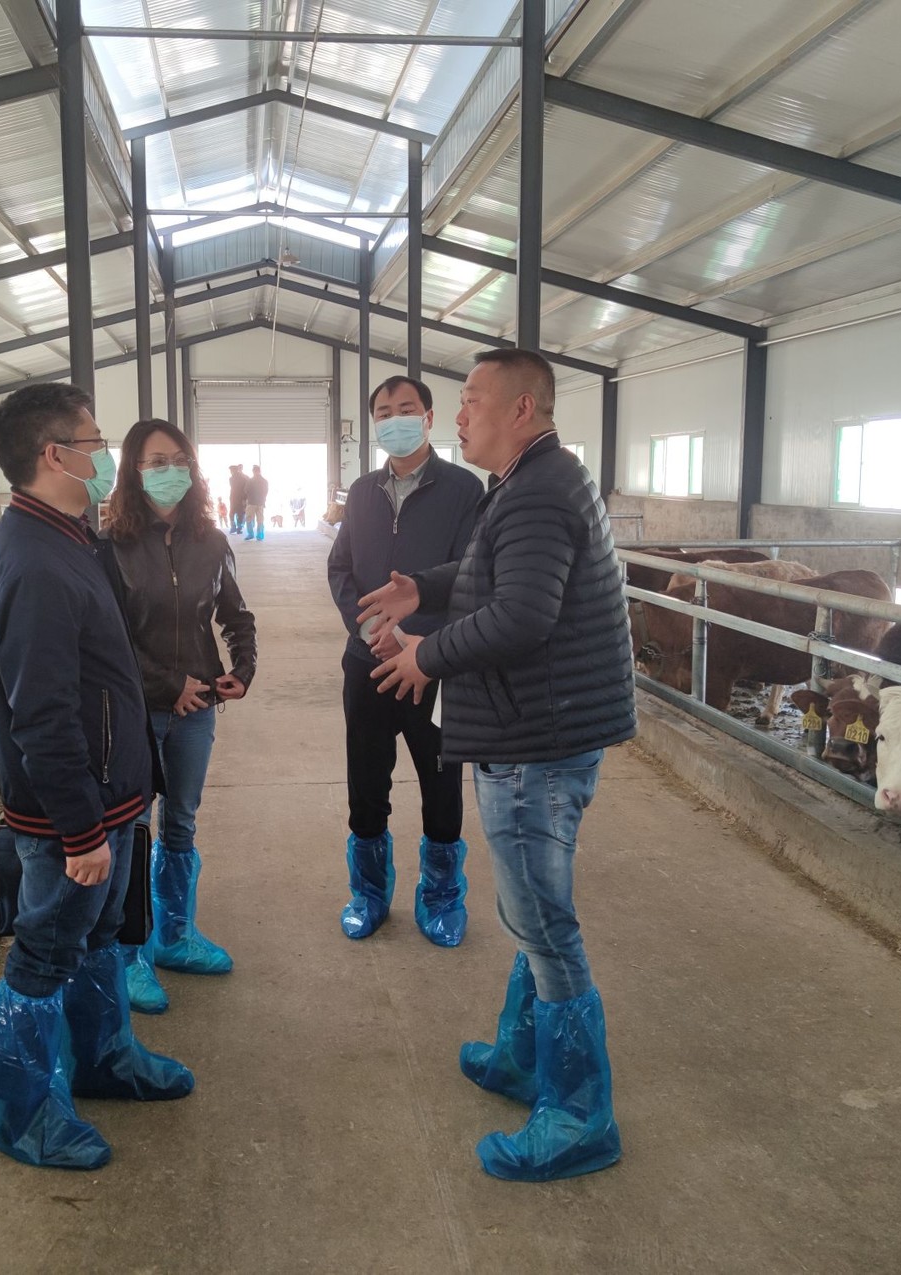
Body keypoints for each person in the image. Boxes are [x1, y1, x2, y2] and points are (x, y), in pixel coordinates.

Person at [359, 349, 634, 1183]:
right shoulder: (528, 482)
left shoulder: (538, 490)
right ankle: (524, 1059)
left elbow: (520, 614)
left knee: (544, 922)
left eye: (473, 398)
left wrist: (427, 654)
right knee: (527, 910)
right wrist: (424, 589)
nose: (460, 413)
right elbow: (491, 573)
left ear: (522, 408)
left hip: (533, 745)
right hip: (538, 732)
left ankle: (580, 1116)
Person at [0, 382, 194, 1172]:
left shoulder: (69, 536)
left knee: (99, 935)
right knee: (46, 950)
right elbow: (41, 715)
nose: (108, 455)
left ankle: (104, 1059)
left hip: (110, 795)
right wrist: (78, 829)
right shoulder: (33, 562)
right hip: (72, 816)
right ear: (55, 455)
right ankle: (24, 1115)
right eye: (95, 441)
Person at [104, 419, 258, 1014]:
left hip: (197, 713)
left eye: (178, 460)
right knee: (132, 827)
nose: (170, 471)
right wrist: (172, 686)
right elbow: (109, 638)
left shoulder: (210, 541)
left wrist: (241, 669)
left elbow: (235, 616)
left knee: (182, 822)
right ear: (133, 471)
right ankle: (131, 954)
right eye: (155, 461)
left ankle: (175, 935)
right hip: (136, 712)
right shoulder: (110, 546)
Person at [327, 375, 482, 947]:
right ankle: (368, 894)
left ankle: (441, 897)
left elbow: (471, 577)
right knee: (366, 782)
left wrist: (417, 638)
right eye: (384, 412)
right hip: (367, 661)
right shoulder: (362, 492)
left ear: (429, 417)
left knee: (441, 783)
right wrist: (374, 632)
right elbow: (341, 569)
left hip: (433, 665)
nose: (395, 420)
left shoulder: (464, 490)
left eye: (406, 409)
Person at [243, 464, 269, 541]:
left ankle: (250, 534)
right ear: (260, 471)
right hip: (260, 503)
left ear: (253, 471)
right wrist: (263, 500)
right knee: (260, 519)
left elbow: (246, 490)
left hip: (251, 502)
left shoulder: (250, 481)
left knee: (249, 518)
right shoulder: (264, 481)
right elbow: (266, 492)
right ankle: (260, 535)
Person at [227, 465, 248, 535]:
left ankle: (234, 527)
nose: (230, 472)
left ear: (234, 470)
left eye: (231, 471)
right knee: (239, 514)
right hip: (238, 498)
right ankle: (238, 528)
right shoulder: (242, 478)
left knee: (233, 513)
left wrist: (244, 498)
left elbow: (243, 489)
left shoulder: (232, 479)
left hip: (236, 498)